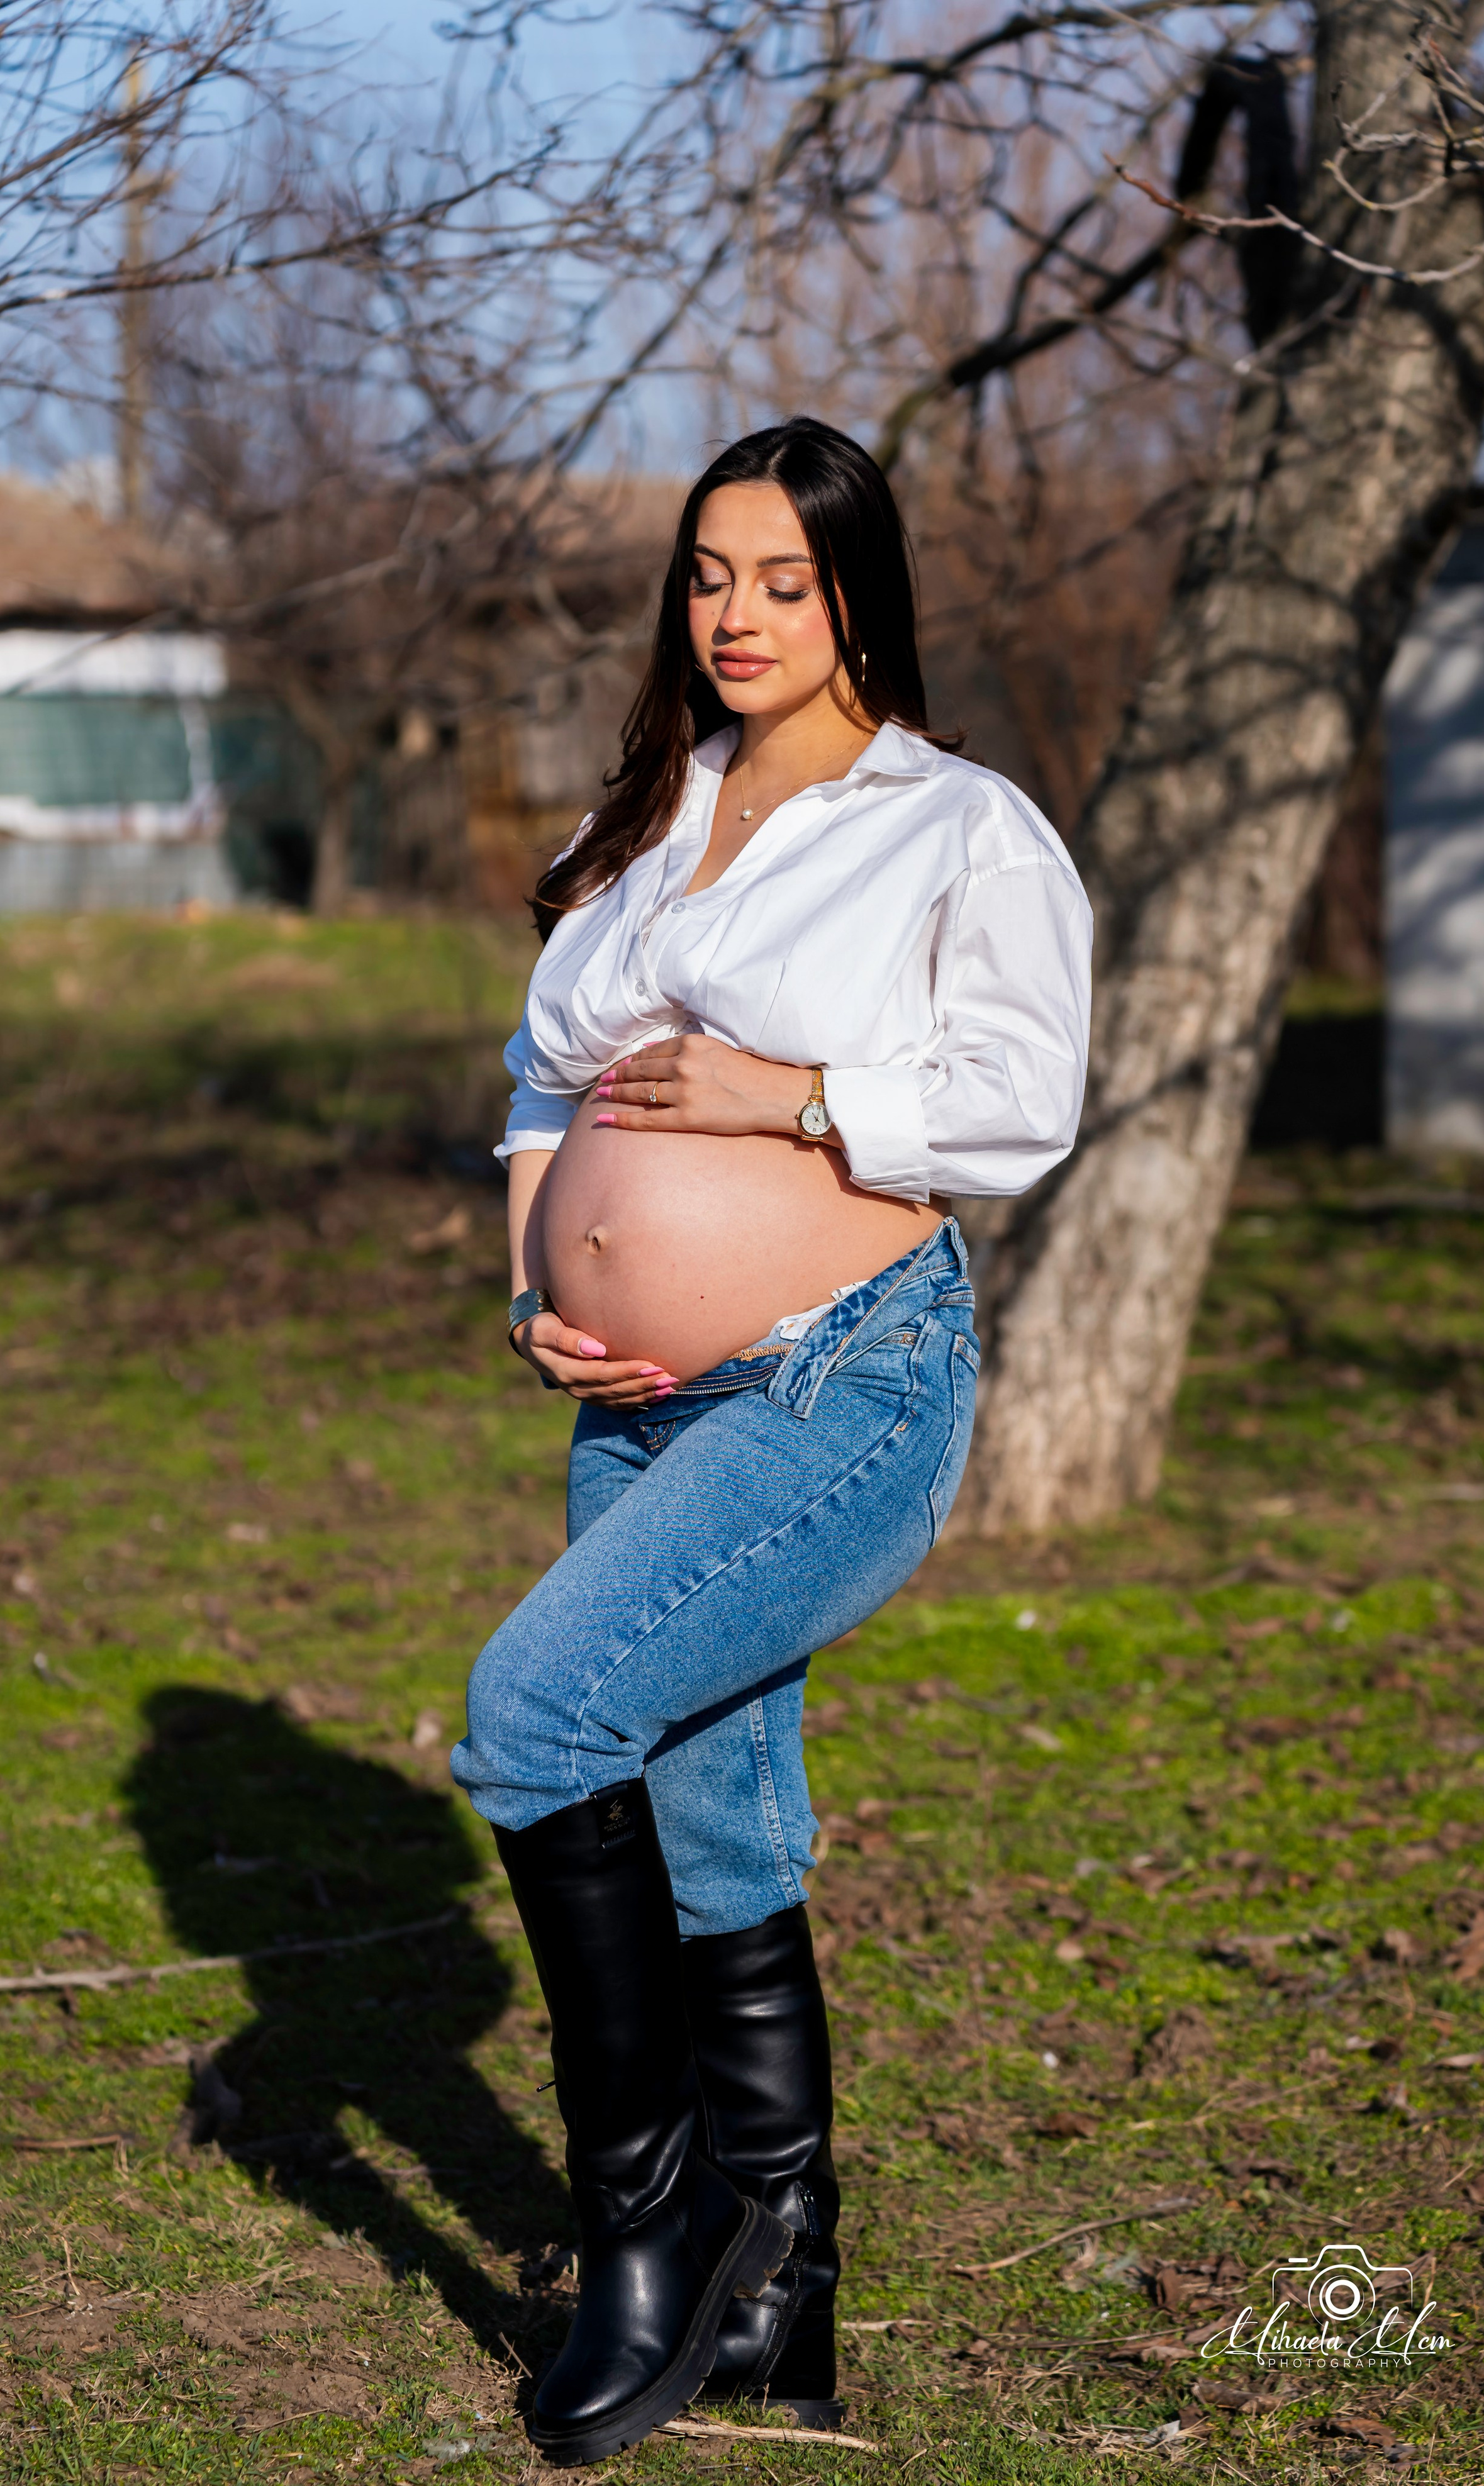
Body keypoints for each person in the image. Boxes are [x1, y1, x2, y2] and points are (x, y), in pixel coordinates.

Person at [451, 416, 1091, 2465]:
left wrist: (789, 1098)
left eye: (784, 581)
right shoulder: (645, 815)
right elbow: (547, 1091)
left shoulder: (959, 827)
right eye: (710, 577)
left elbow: (1024, 1098)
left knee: (537, 1716)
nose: (738, 614)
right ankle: (780, 2297)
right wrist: (537, 1293)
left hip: (840, 1379)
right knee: (713, 1825)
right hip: (640, 1403)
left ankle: (650, 2239)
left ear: (857, 598)